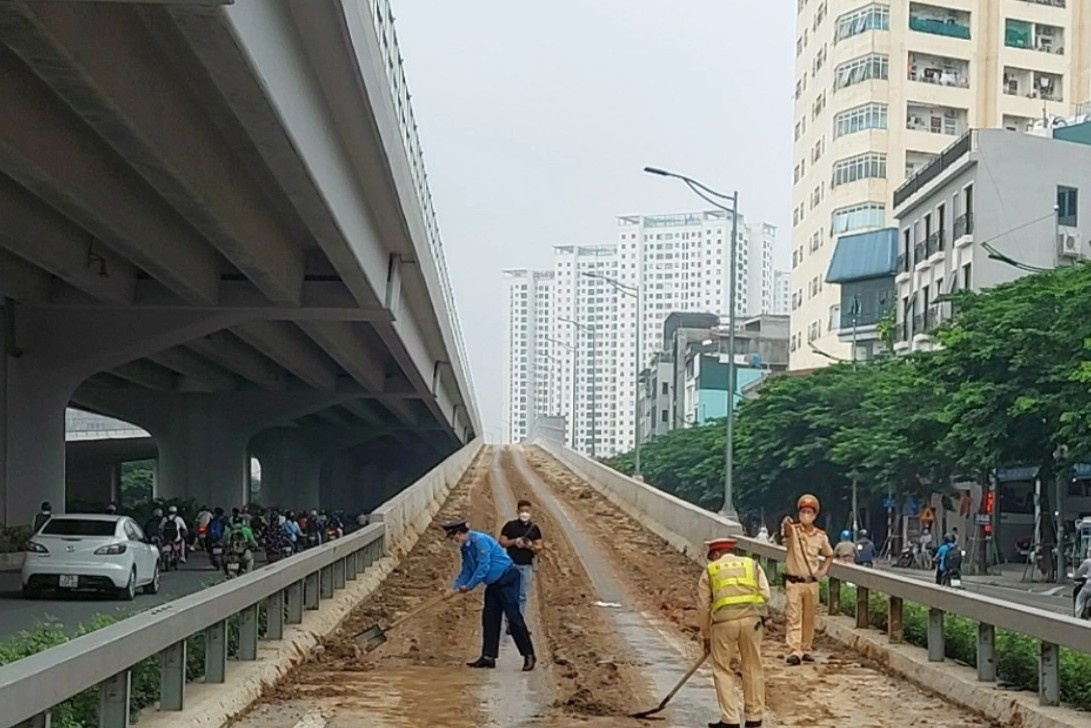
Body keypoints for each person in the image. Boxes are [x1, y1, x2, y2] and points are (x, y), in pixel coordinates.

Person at [441, 519, 535, 671]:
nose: (454, 541)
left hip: (507, 579)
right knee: (490, 618)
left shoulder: (480, 541)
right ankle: (488, 657)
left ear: (459, 533)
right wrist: (454, 588)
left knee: (513, 618)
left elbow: (482, 568)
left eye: (454, 537)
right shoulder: (466, 548)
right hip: (493, 584)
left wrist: (469, 586)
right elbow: (467, 570)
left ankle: (529, 655)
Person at [698, 536, 770, 728]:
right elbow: (765, 594)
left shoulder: (711, 570)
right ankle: (754, 718)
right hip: (752, 623)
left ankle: (730, 720)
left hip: (723, 624)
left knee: (722, 669)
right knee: (753, 666)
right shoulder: (752, 565)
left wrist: (705, 635)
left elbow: (704, 606)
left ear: (715, 554)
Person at [781, 494, 833, 665]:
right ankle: (794, 650)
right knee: (793, 617)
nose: (806, 515)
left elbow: (829, 555)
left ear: (815, 515)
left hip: (811, 583)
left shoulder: (820, 536)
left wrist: (822, 571)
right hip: (794, 583)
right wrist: (786, 523)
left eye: (809, 512)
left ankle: (806, 648)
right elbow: (787, 531)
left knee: (809, 618)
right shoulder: (793, 531)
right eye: (803, 511)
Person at [498, 500, 543, 620]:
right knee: (511, 594)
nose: (524, 514)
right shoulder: (510, 526)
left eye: (527, 511)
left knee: (522, 595)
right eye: (522, 511)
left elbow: (539, 546)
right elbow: (501, 542)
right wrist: (514, 541)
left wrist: (530, 546)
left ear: (531, 512)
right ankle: (509, 621)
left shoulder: (534, 529)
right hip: (510, 565)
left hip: (526, 565)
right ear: (517, 511)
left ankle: (518, 622)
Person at [1074, 550, 1091, 619]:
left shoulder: (1088, 561)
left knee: (1080, 598)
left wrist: (1076, 576)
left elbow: (1079, 573)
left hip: (1089, 586)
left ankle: (1078, 617)